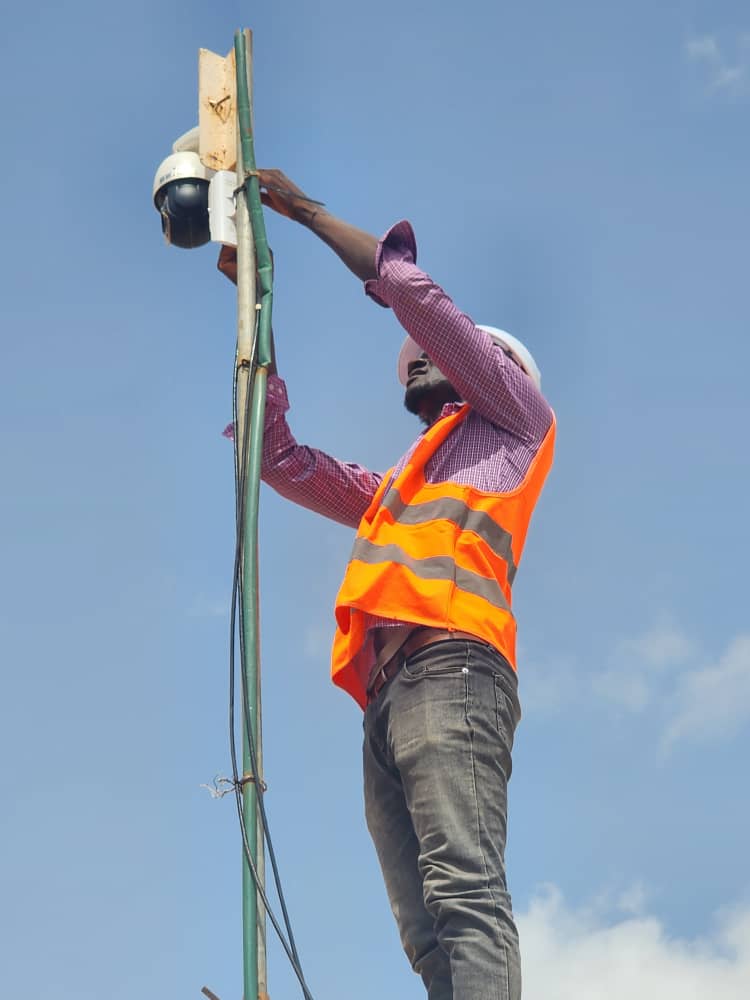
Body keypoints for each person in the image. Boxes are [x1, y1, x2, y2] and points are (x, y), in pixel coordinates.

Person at [218, 169, 555, 1000]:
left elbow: (420, 302)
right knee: (425, 929)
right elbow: (282, 462)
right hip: (393, 694)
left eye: (433, 355)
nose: (414, 362)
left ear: (496, 369)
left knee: (465, 891)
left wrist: (307, 213)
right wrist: (256, 318)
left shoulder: (517, 421)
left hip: (452, 668)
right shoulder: (400, 488)